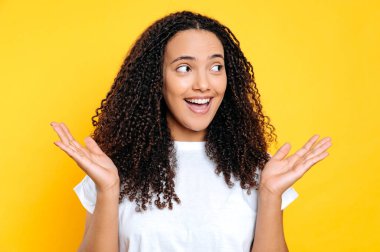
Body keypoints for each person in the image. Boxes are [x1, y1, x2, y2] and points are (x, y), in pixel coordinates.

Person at [51, 10, 332, 252]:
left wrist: (270, 193)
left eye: (216, 67)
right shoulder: (114, 169)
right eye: (184, 68)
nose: (203, 84)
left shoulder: (255, 168)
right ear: (155, 79)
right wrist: (109, 189)